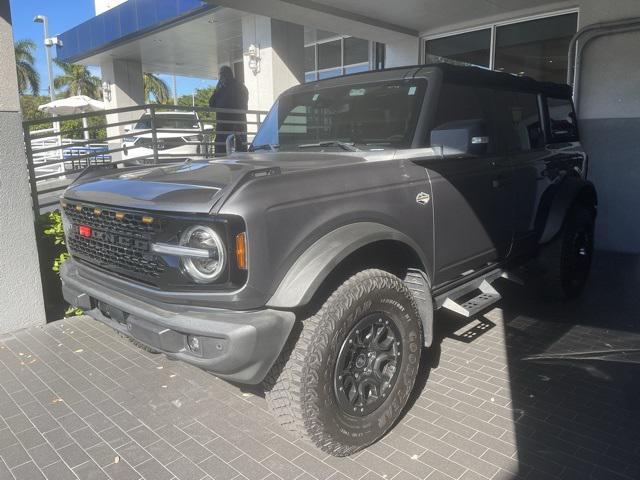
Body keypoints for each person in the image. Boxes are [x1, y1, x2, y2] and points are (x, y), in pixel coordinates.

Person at [209, 66, 249, 155]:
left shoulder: (239, 87)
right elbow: (211, 104)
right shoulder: (221, 88)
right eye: (221, 75)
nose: (222, 77)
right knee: (221, 152)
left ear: (229, 74)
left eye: (223, 74)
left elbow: (242, 106)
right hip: (222, 126)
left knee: (239, 151)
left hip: (236, 125)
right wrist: (217, 89)